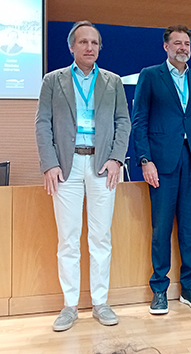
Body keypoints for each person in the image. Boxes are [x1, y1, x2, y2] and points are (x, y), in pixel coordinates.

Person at [35, 20, 131, 331]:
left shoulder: (112, 81)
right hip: (67, 166)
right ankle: (70, 305)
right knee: (68, 239)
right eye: (83, 42)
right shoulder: (53, 80)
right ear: (72, 47)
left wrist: (117, 159)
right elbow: (42, 124)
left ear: (99, 48)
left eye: (94, 43)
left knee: (101, 237)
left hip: (103, 166)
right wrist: (49, 163)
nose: (89, 47)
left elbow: (123, 122)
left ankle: (101, 303)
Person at [132, 25, 191, 315]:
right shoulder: (150, 75)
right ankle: (159, 289)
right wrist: (144, 159)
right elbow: (139, 119)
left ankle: (189, 287)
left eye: (187, 43)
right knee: (162, 229)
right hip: (161, 162)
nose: (183, 47)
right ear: (165, 47)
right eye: (177, 43)